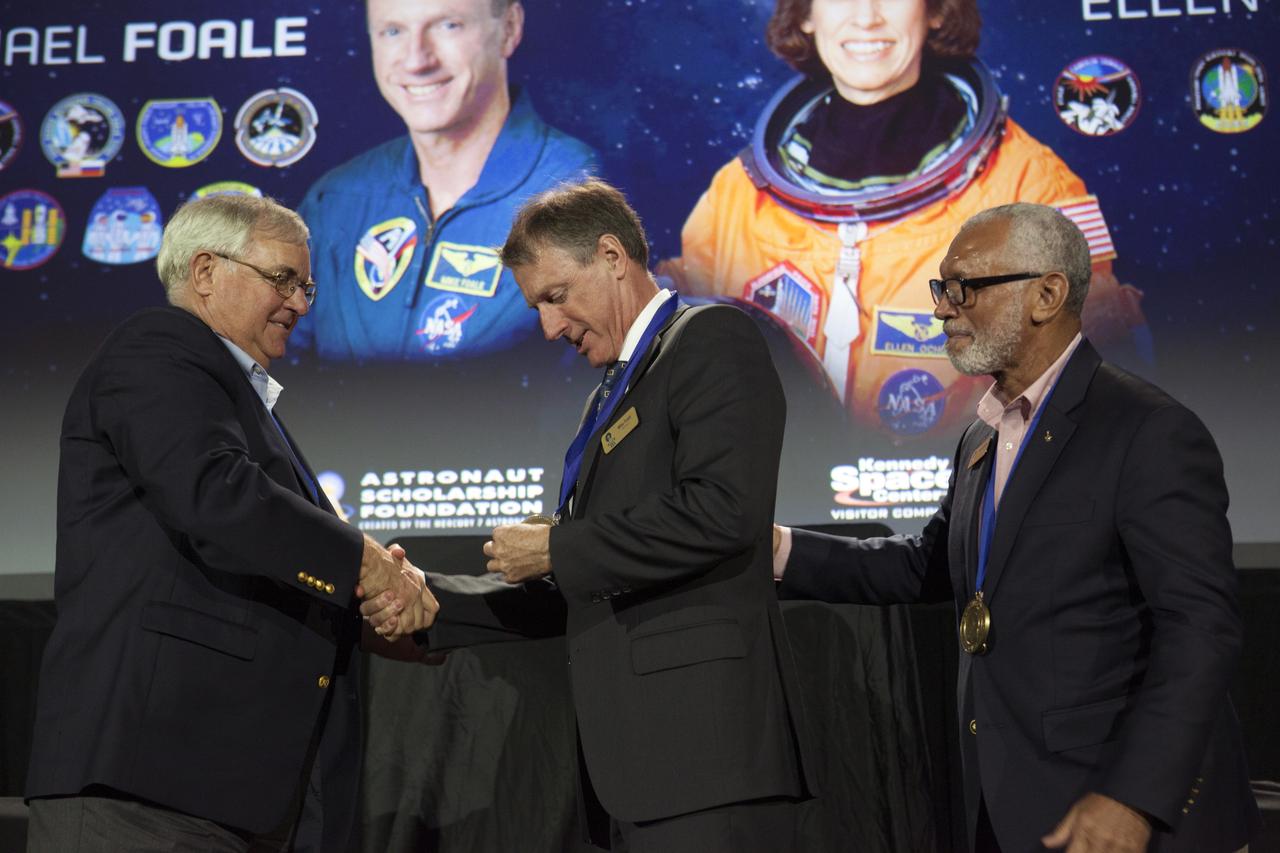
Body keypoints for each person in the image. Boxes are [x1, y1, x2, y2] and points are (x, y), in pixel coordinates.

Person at [773, 203, 1258, 852]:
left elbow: (1200, 630)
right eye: (942, 288)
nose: (943, 307)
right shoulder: (983, 432)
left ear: (1047, 294)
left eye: (965, 286)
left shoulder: (1146, 430)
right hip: (1011, 800)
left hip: (1117, 813)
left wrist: (1134, 796)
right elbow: (928, 565)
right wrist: (773, 547)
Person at [370, 179, 817, 850]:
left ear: (612, 255)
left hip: (709, 762)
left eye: (556, 296)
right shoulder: (610, 392)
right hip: (638, 770)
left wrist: (558, 547)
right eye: (537, 308)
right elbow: (582, 583)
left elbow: (724, 512)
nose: (550, 327)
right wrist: (433, 603)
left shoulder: (710, 340)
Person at [25, 195, 438, 853]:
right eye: (282, 279)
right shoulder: (158, 347)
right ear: (206, 271)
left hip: (225, 794)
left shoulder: (237, 396)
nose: (301, 304)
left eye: (307, 286)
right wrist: (363, 562)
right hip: (147, 786)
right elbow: (215, 494)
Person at [662, 0, 1148, 442]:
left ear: (935, 10)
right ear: (806, 15)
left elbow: (1092, 393)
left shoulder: (1030, 187)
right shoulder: (736, 198)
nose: (866, 16)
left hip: (967, 518)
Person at [293, 0, 597, 361]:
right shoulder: (337, 200)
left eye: (448, 26)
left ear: (509, 28)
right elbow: (280, 380)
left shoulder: (575, 193)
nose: (417, 60)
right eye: (393, 31)